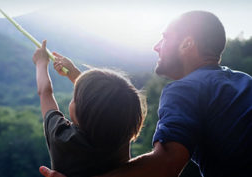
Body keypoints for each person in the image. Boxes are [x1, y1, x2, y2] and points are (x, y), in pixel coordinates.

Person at [39, 10, 252, 177]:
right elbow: (116, 108)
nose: (156, 47)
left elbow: (165, 165)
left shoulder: (185, 89)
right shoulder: (243, 81)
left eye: (165, 38)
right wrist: (78, 76)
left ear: (187, 44)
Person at [33, 41, 146, 177]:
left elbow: (45, 92)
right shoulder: (121, 133)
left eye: (75, 98)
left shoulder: (62, 137)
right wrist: (74, 73)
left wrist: (41, 63)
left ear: (82, 111)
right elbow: (102, 103)